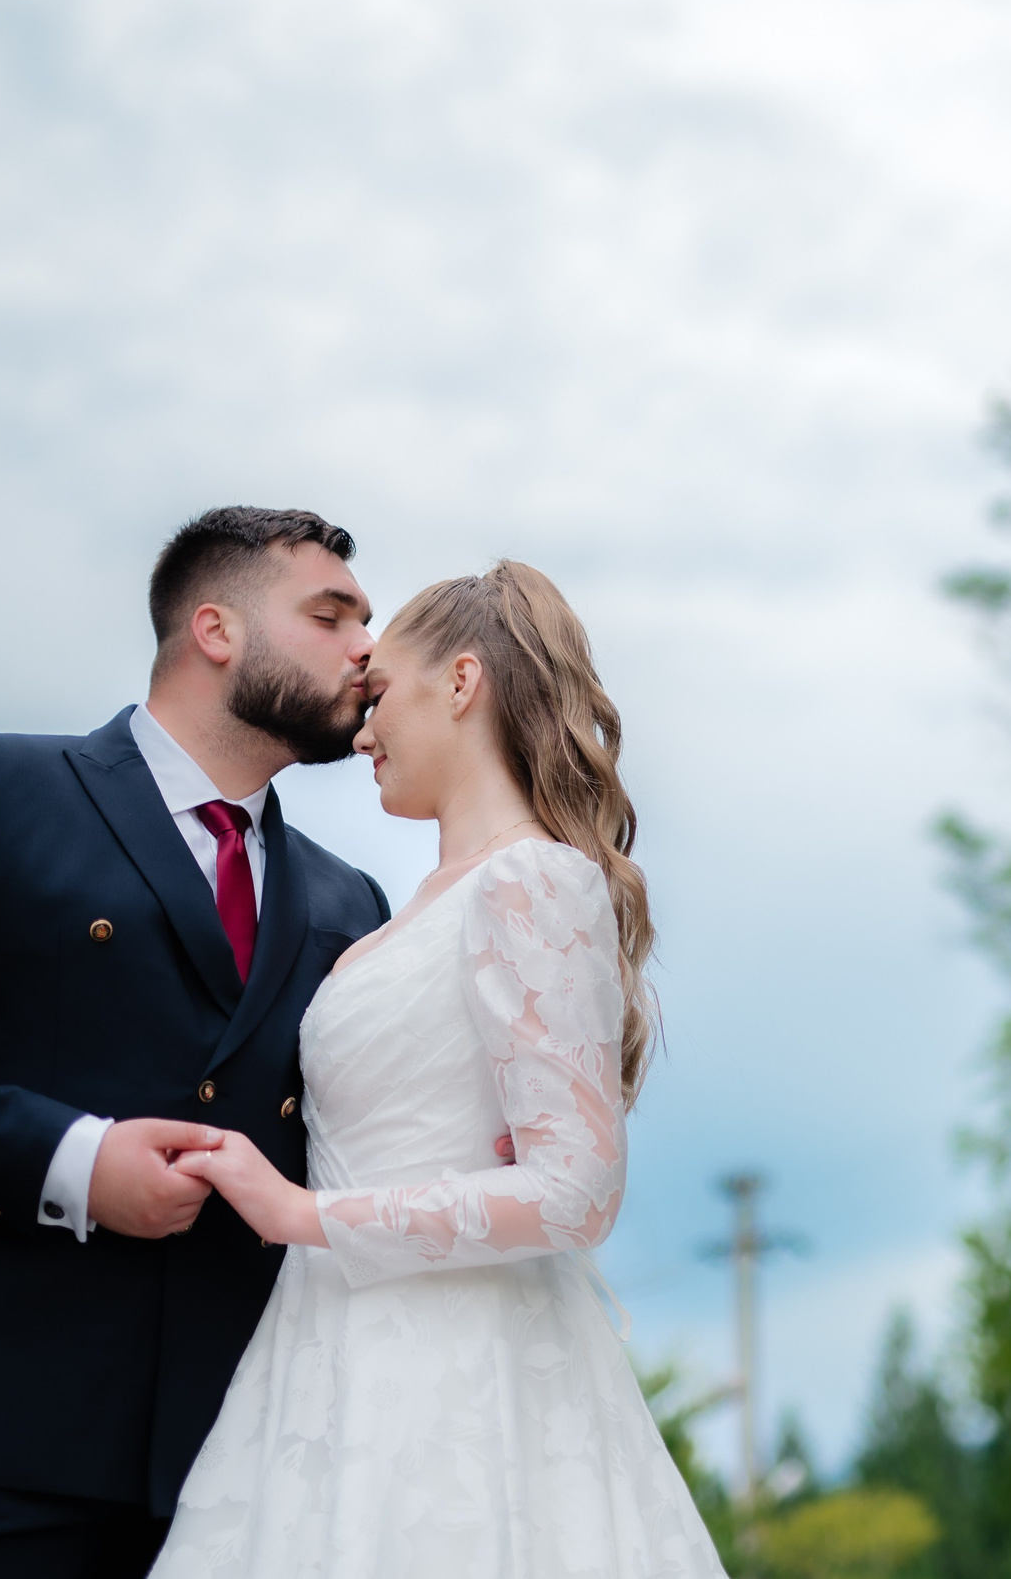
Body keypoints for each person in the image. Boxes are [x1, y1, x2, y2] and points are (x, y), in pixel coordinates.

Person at [0, 507, 398, 1578]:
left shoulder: (354, 901)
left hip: (247, 1458)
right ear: (215, 628)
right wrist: (76, 1160)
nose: (368, 648)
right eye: (331, 615)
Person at [148, 560, 726, 1579]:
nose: (361, 733)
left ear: (462, 682)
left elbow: (577, 1190)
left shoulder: (531, 878)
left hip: (458, 1369)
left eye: (377, 696)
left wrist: (298, 1212)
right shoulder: (401, 912)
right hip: (324, 1359)